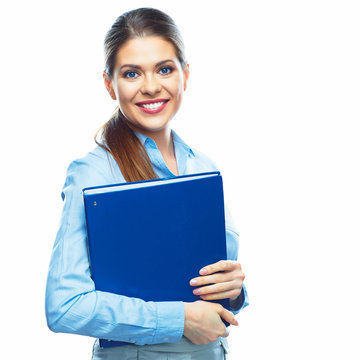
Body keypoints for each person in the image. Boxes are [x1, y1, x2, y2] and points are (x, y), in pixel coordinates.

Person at [45, 7, 249, 360]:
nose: (151, 86)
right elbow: (64, 306)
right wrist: (179, 319)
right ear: (110, 84)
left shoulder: (203, 167)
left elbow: (207, 284)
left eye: (165, 69)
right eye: (132, 73)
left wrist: (234, 291)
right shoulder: (93, 173)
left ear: (185, 74)